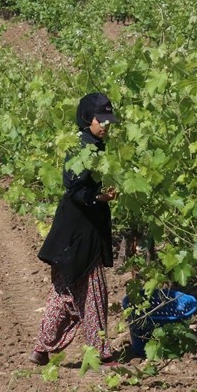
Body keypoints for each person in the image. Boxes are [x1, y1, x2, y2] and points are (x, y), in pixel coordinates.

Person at [30, 92, 121, 366]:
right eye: (100, 120)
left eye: (108, 121)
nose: (105, 125)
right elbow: (74, 189)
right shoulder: (83, 147)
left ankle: (45, 348)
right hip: (78, 234)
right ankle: (94, 352)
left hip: (81, 231)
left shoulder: (95, 145)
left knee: (76, 292)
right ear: (86, 119)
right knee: (79, 292)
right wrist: (99, 198)